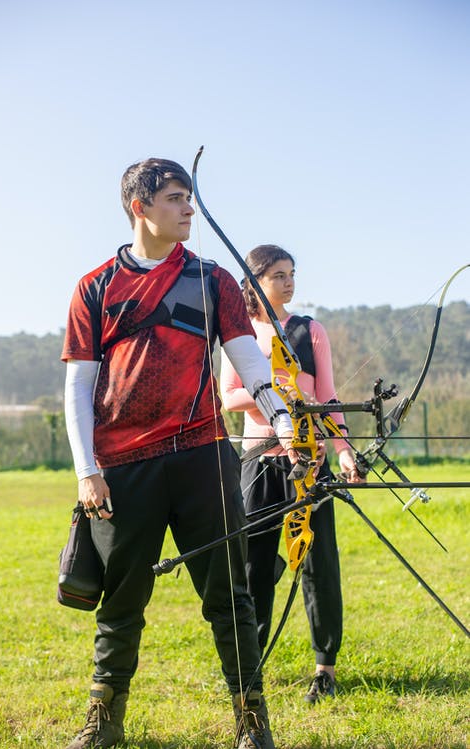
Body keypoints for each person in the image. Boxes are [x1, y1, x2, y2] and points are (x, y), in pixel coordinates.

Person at [61, 160, 305, 749]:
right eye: (175, 199)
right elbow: (77, 386)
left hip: (203, 458)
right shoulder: (95, 286)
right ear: (139, 207)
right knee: (120, 602)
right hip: (122, 468)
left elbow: (252, 365)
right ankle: (104, 721)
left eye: (190, 199)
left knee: (231, 597)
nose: (189, 209)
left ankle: (252, 721)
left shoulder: (214, 279)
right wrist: (87, 471)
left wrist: (283, 420)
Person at [220, 244, 365, 705]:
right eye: (277, 275)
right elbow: (228, 398)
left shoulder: (309, 330)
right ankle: (251, 660)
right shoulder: (239, 335)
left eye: (291, 274)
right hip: (259, 460)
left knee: (318, 562)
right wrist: (275, 393)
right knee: (255, 561)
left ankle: (325, 667)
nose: (288, 282)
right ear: (255, 281)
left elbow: (327, 396)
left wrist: (343, 451)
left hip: (311, 459)